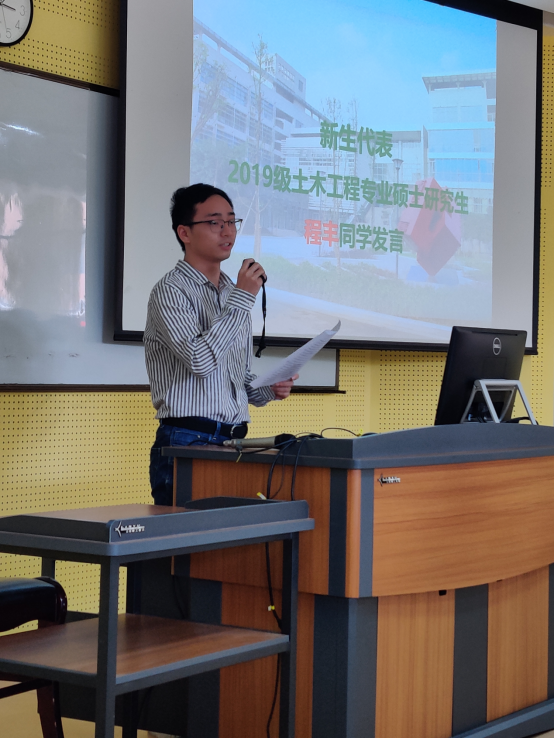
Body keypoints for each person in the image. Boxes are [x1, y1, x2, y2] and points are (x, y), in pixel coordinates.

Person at [144, 183, 297, 506]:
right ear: (184, 232)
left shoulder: (232, 292)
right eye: (215, 222)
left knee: (228, 537)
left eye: (231, 221)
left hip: (234, 442)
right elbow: (200, 361)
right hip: (186, 440)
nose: (227, 231)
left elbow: (235, 377)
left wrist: (270, 388)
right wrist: (243, 298)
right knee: (185, 537)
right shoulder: (170, 291)